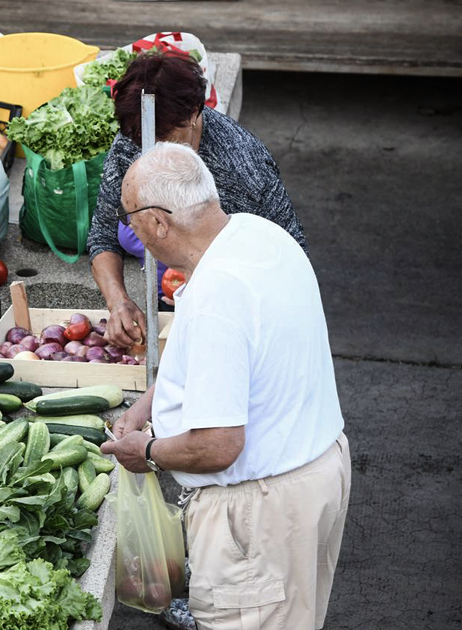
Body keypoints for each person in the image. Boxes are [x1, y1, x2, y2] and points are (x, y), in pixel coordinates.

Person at [100, 143, 350, 630]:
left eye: (129, 218)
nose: (130, 231)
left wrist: (147, 452)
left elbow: (218, 446)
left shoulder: (218, 294)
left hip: (259, 512)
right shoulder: (259, 234)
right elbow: (229, 357)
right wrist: (150, 403)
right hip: (316, 473)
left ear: (158, 223)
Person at [87, 52, 308, 348]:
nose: (154, 151)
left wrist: (211, 290)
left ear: (193, 113)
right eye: (144, 142)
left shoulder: (243, 164)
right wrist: (118, 302)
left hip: (237, 310)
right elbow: (102, 234)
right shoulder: (133, 139)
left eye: (167, 138)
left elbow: (290, 256)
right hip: (172, 291)